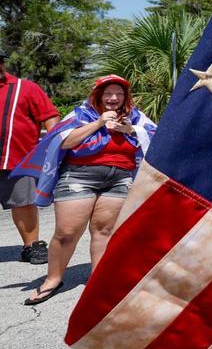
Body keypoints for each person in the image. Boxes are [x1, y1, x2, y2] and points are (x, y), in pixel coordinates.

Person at [14, 75, 155, 305]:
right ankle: (53, 279)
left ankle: (99, 281)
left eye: (119, 94)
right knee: (67, 232)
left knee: (104, 231)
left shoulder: (136, 117)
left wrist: (131, 130)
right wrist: (99, 122)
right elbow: (64, 142)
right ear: (98, 95)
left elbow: (153, 137)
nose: (113, 98)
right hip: (79, 176)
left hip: (119, 178)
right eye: (108, 93)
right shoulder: (81, 114)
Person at [0, 49, 61, 265]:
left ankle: (31, 246)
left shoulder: (25, 88)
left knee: (23, 203)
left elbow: (50, 116)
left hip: (18, 159)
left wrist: (52, 146)